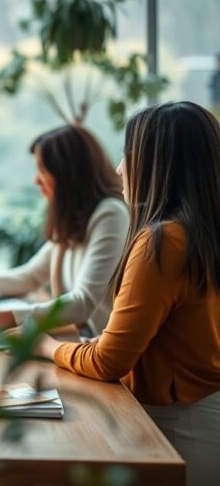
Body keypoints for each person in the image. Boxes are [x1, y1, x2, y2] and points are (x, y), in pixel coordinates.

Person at [34, 102, 220, 486]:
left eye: (128, 153)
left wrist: (44, 346)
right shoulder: (199, 231)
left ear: (157, 163)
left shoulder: (163, 240)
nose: (120, 167)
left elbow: (108, 361)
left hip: (179, 429)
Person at [0, 125, 128, 336]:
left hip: (96, 350)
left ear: (67, 174)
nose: (36, 180)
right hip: (77, 340)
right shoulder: (74, 217)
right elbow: (31, 275)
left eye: (43, 171)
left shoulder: (110, 215)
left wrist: (6, 317)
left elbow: (83, 302)